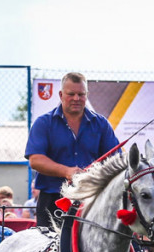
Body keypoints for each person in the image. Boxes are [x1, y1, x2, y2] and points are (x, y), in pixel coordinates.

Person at [25, 72, 120, 228]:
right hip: (53, 199)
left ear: (86, 95)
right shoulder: (44, 123)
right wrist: (67, 172)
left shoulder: (101, 124)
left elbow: (115, 160)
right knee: (50, 247)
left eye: (81, 94)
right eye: (71, 94)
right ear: (61, 95)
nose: (76, 98)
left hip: (91, 200)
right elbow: (35, 160)